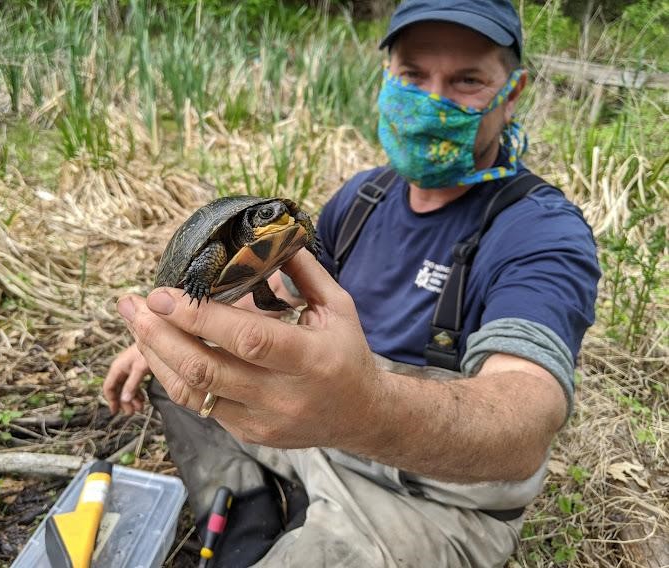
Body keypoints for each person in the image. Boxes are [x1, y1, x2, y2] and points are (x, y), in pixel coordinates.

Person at [104, 0, 600, 566]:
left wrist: (364, 408)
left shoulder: (541, 231)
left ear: (511, 93)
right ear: (387, 76)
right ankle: (247, 510)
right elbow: (282, 288)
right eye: (413, 75)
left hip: (426, 490)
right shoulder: (366, 195)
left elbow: (524, 419)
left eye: (466, 80)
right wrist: (175, 325)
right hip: (318, 429)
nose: (431, 100)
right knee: (178, 370)